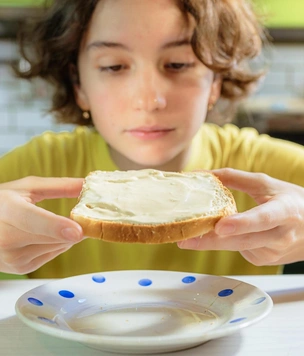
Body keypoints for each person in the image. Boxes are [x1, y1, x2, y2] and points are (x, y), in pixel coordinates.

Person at [0, 0, 304, 279]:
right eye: (113, 66)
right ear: (79, 85)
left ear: (216, 80)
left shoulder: (269, 168)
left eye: (178, 64)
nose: (150, 100)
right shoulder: (32, 168)